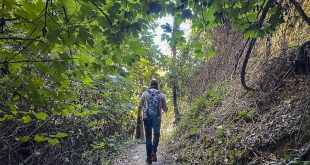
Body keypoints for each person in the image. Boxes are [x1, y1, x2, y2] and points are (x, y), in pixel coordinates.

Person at [137, 79, 168, 164]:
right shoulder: (161, 95)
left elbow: (139, 106)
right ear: (157, 85)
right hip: (157, 118)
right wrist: (164, 109)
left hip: (146, 117)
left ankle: (149, 158)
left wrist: (138, 117)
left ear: (150, 85)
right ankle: (154, 151)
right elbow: (165, 108)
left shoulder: (145, 93)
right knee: (156, 135)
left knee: (148, 138)